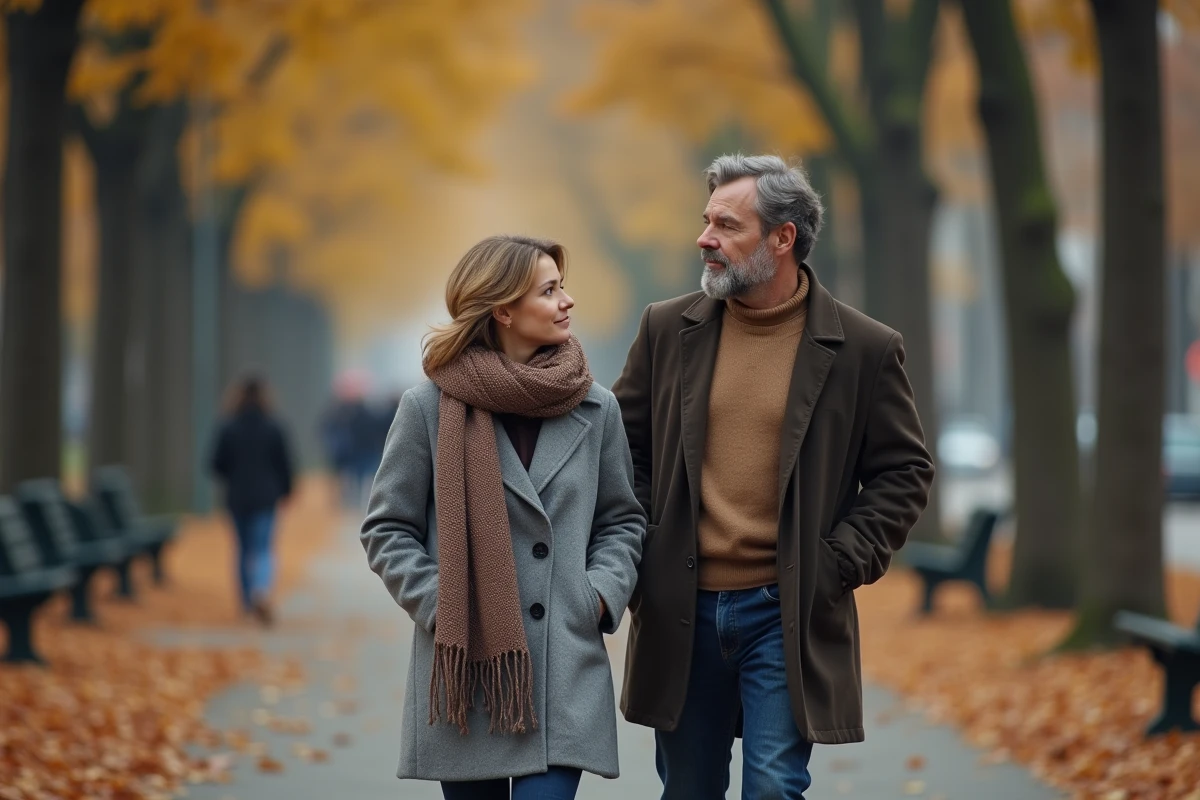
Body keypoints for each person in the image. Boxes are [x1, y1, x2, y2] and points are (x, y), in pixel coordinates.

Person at [613, 154, 935, 799]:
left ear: (782, 238)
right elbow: (623, 452)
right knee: (690, 789)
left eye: (726, 225)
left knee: (773, 786)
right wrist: (648, 540)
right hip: (683, 609)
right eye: (706, 221)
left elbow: (904, 470)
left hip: (787, 612)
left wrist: (839, 561)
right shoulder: (665, 330)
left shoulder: (865, 348)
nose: (704, 238)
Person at [361, 235, 645, 800]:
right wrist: (448, 604)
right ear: (504, 310)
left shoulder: (596, 406)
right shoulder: (429, 407)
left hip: (563, 667)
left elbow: (622, 521)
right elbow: (386, 528)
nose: (567, 301)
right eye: (550, 290)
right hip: (469, 672)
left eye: (562, 287)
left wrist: (597, 595)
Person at [210, 376, 295, 626]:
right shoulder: (274, 426)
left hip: (237, 497)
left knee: (242, 549)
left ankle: (246, 603)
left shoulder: (228, 426)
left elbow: (215, 464)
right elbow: (285, 463)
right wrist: (286, 490)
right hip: (266, 497)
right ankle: (262, 589)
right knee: (263, 548)